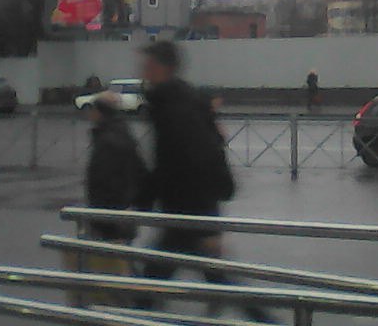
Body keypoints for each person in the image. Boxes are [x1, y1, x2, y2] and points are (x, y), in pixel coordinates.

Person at [135, 42, 273, 322]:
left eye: (147, 66)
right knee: (217, 280)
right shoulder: (180, 101)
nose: (143, 71)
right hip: (189, 212)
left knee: (153, 284)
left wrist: (206, 222)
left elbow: (186, 162)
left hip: (187, 214)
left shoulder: (174, 107)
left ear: (162, 68)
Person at [85, 92, 146, 242]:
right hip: (122, 210)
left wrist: (100, 217)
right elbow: (139, 170)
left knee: (109, 252)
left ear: (99, 112)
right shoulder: (122, 132)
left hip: (110, 215)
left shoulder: (108, 140)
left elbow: (104, 181)